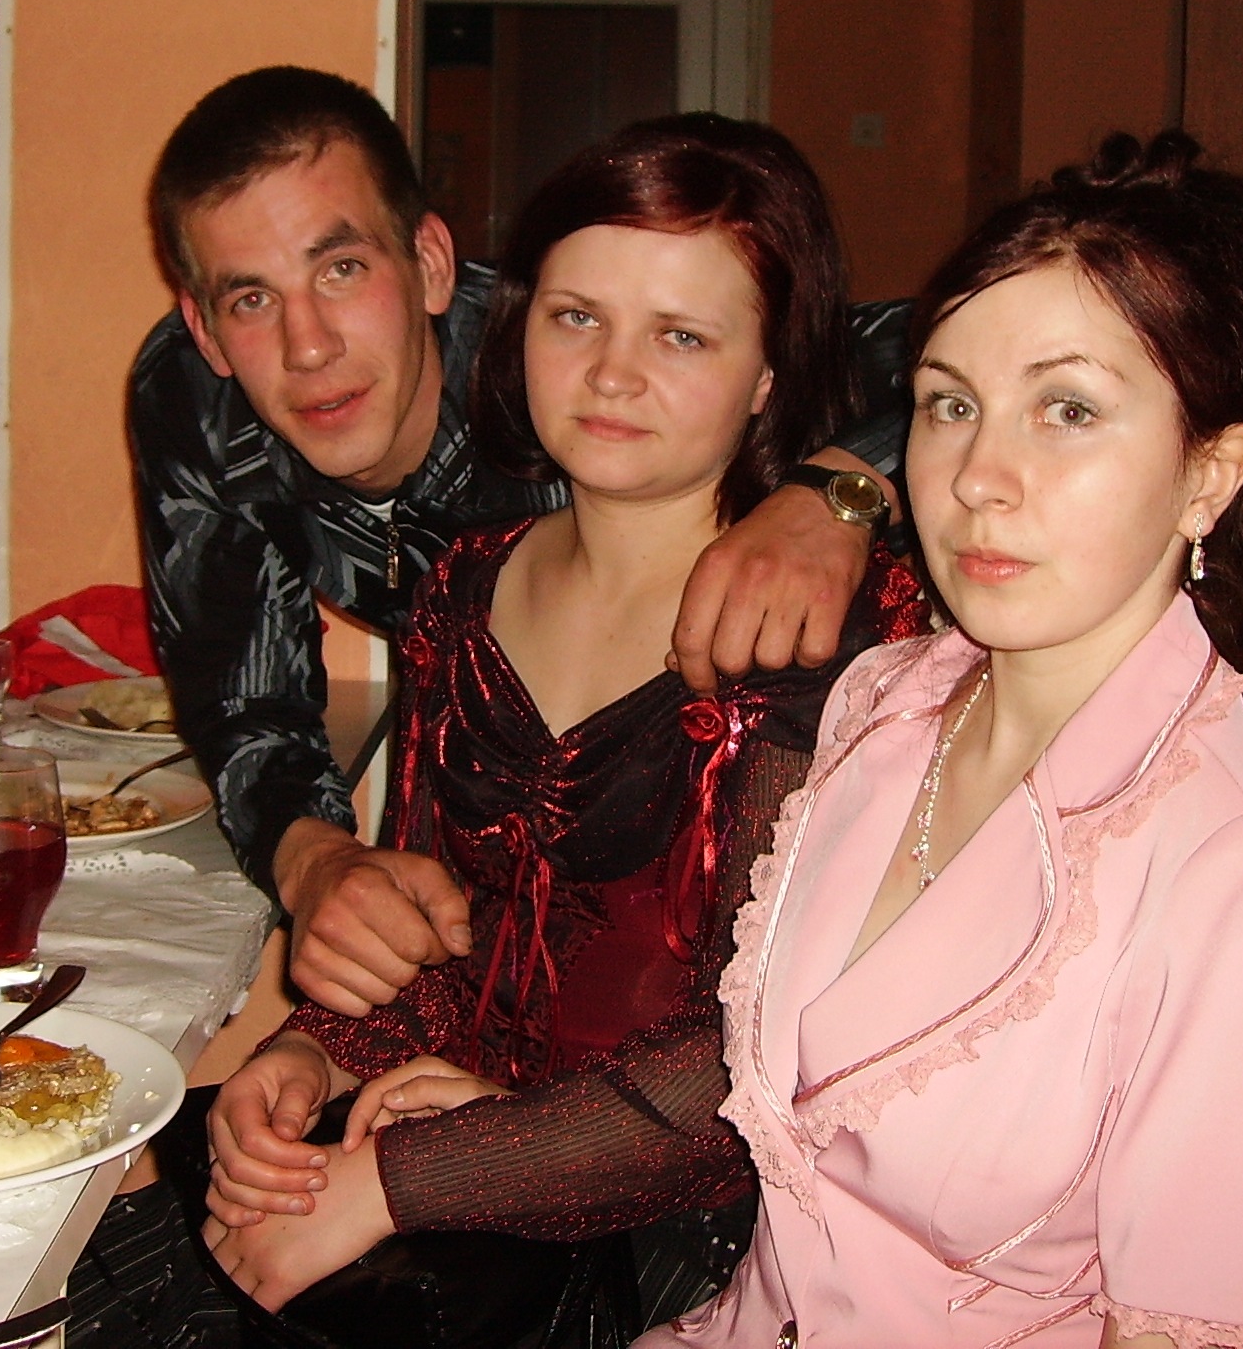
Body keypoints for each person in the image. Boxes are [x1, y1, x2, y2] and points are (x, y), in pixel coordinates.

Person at [79, 115, 923, 1348]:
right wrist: (311, 1058)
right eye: (577, 317)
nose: (613, 374)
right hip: (452, 1172)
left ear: (769, 376)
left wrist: (405, 1179)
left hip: (693, 1243)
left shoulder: (823, 636)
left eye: (680, 335)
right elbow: (443, 934)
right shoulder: (464, 587)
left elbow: (751, 1066)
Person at [645, 131, 1243, 1348]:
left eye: (1067, 410)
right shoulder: (884, 698)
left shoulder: (1242, 863)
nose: (979, 475)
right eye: (950, 404)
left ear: (1211, 476)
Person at [129, 68, 912, 1015]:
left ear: (429, 263)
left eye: (342, 270)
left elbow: (956, 346)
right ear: (205, 329)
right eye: (251, 299)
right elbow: (243, 692)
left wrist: (838, 489)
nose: (309, 347)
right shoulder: (200, 403)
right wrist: (318, 862)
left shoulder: (568, 359)